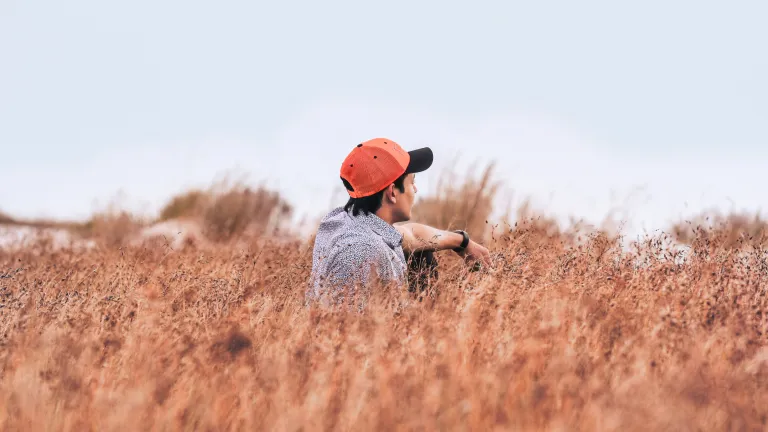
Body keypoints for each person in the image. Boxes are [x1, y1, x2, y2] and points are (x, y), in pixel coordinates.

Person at [307, 137, 492, 305]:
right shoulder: (361, 251)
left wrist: (462, 242)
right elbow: (346, 331)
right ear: (392, 192)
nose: (416, 190)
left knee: (421, 254)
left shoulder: (347, 221)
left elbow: (412, 235)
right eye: (412, 182)